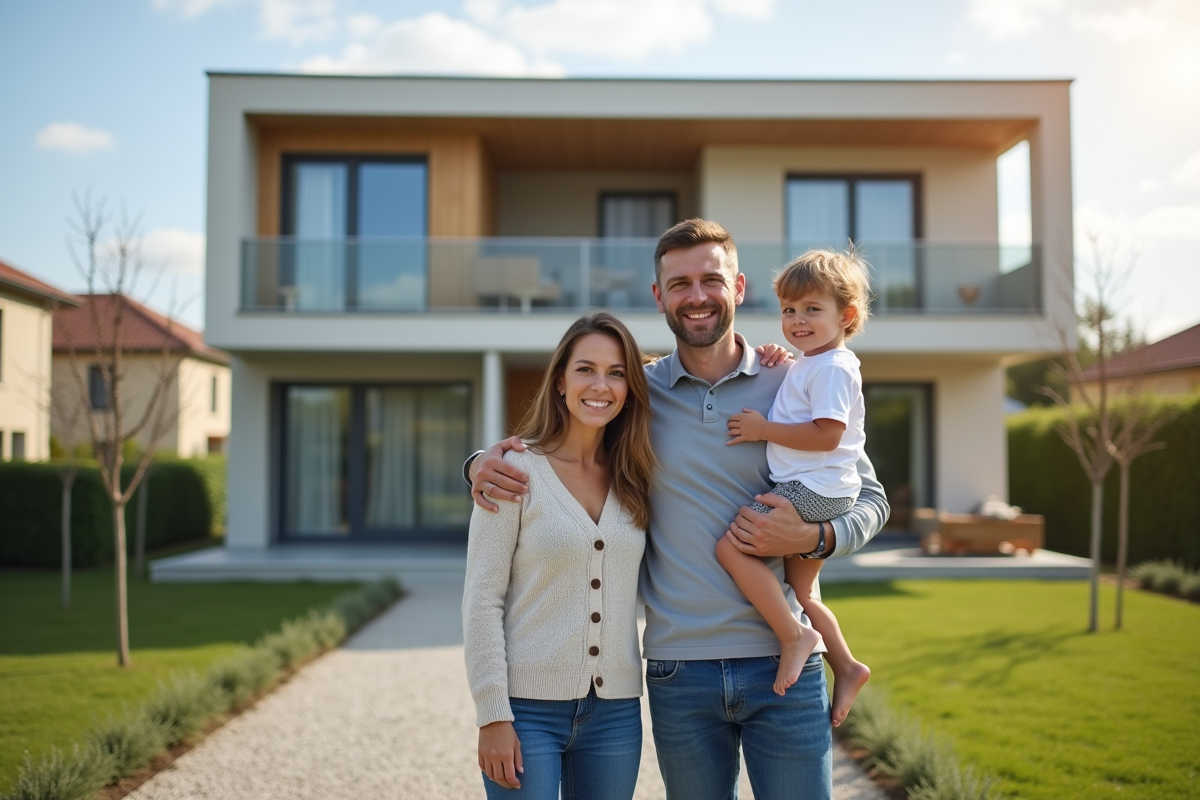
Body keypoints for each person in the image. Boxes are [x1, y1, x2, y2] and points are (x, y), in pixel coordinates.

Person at [469, 219, 889, 800]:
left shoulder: (792, 379)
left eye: (710, 280)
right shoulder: (635, 395)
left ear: (738, 288)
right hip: (678, 671)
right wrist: (478, 462)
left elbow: (870, 496)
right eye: (680, 283)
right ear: (659, 296)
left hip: (786, 665)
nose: (696, 296)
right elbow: (561, 439)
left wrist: (816, 536)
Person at [463, 311, 657, 800]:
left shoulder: (636, 475)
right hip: (526, 713)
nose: (601, 385)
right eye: (585, 369)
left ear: (631, 387)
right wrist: (493, 715)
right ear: (559, 383)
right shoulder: (513, 471)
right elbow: (482, 598)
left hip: (615, 713)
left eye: (616, 373)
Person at [716, 248, 873, 727]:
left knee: (732, 549)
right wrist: (778, 357)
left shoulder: (832, 368)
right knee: (804, 595)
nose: (797, 320)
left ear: (845, 316)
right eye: (789, 310)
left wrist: (763, 430)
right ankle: (846, 665)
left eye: (812, 309)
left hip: (813, 489)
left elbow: (827, 434)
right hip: (819, 487)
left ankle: (794, 638)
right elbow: (800, 396)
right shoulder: (813, 363)